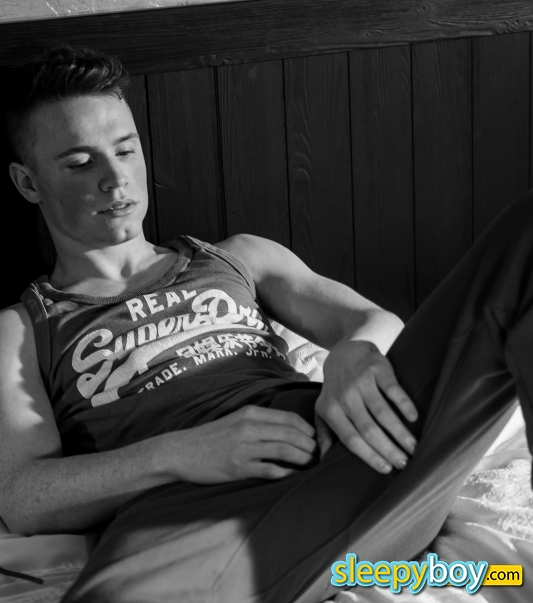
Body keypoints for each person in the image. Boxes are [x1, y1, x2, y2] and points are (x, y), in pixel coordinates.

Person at [0, 45, 530, 603]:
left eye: (126, 150)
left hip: (350, 449)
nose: (116, 179)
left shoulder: (238, 257)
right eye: (80, 163)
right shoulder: (23, 328)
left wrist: (354, 352)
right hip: (194, 515)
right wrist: (181, 453)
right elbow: (23, 498)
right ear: (28, 183)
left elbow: (373, 320)